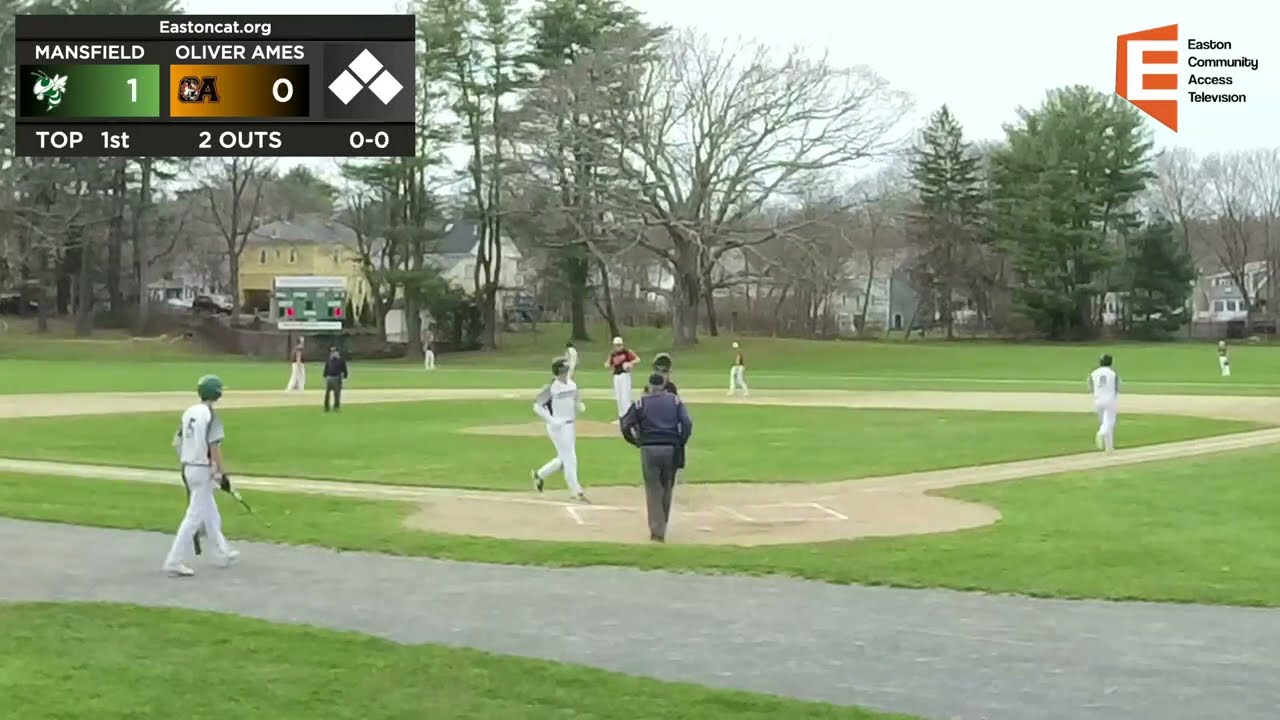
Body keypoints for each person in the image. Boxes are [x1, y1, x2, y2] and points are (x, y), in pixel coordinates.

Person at [164, 374, 238, 577]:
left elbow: (176, 442)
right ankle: (174, 560)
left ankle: (222, 551)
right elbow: (214, 447)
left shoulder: (189, 412)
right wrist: (221, 473)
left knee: (211, 513)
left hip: (189, 467)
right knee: (193, 517)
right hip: (202, 469)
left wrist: (187, 460)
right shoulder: (211, 416)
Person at [620, 373, 693, 542]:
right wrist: (680, 441)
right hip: (671, 447)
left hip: (649, 448)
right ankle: (663, 523)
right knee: (667, 486)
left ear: (650, 385)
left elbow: (625, 424)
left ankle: (656, 530)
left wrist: (635, 441)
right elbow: (687, 423)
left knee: (653, 489)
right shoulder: (674, 401)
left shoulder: (641, 402)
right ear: (664, 384)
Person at [530, 357, 589, 503]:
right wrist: (552, 420)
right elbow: (537, 406)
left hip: (570, 425)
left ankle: (539, 475)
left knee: (564, 458)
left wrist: (579, 405)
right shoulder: (551, 388)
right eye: (564, 370)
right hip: (557, 427)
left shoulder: (572, 385)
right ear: (559, 371)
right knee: (570, 457)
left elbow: (576, 398)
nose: (566, 373)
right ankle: (576, 490)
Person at [1088, 354, 1119, 453]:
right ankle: (1100, 433)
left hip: (1097, 399)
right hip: (1109, 399)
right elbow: (1117, 387)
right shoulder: (1113, 373)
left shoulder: (1093, 373)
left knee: (1104, 422)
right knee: (1109, 422)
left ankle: (1109, 448)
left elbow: (1090, 386)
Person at [605, 336, 639, 419]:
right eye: (616, 345)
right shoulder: (613, 354)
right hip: (616, 376)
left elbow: (637, 359)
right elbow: (607, 363)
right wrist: (608, 365)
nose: (618, 347)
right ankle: (621, 415)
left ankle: (628, 415)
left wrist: (630, 363)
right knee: (618, 396)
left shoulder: (627, 352)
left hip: (625, 375)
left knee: (626, 395)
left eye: (619, 345)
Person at [323, 347, 349, 412]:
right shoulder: (329, 359)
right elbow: (326, 368)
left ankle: (336, 407)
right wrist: (325, 375)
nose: (332, 353)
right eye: (332, 352)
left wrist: (345, 376)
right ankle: (326, 407)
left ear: (337, 352)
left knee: (337, 393)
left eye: (334, 352)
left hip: (337, 378)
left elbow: (344, 369)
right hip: (329, 378)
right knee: (327, 394)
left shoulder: (341, 360)